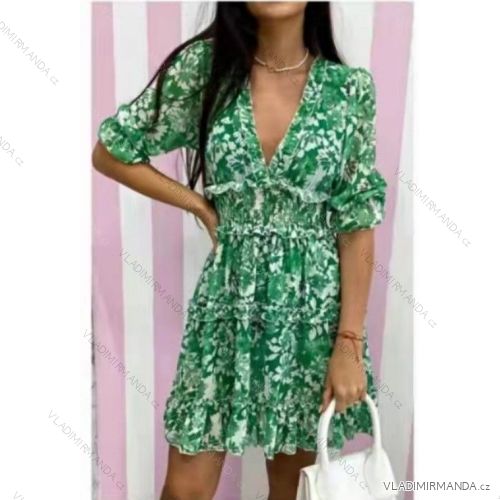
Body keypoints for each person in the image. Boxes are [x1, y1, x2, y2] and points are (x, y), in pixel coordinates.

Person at [92, 2, 387, 499]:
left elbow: (357, 224)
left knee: (290, 489)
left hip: (309, 318)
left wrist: (348, 343)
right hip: (223, 312)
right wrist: (197, 204)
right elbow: (112, 150)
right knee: (185, 489)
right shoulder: (206, 71)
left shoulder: (348, 91)